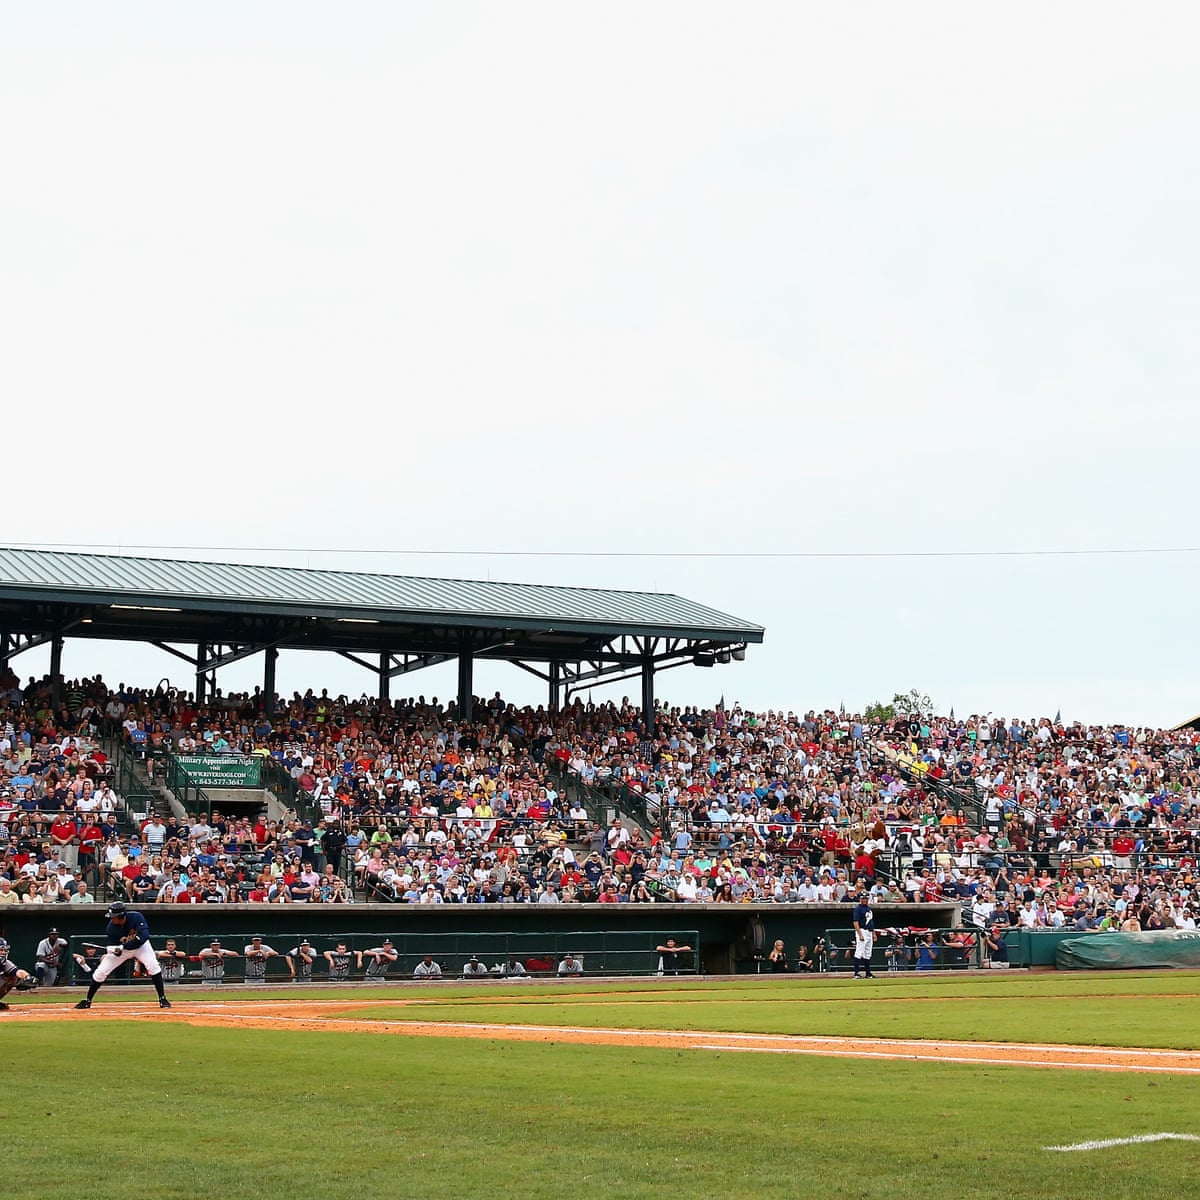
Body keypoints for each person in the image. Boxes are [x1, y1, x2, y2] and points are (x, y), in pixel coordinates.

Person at [74, 900, 172, 1009]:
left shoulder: (136, 917)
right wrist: (116, 949)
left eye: (113, 917)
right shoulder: (111, 928)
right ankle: (88, 1000)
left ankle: (162, 998)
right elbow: (117, 948)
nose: (111, 919)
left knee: (153, 966)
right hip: (122, 949)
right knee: (100, 972)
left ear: (121, 916)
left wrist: (124, 946)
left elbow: (143, 937)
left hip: (141, 947)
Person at [0, 937, 36, 1010]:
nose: (3, 952)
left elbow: (18, 971)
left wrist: (28, 977)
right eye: (1, 950)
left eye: (5, 950)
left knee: (13, 978)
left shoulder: (5, 963)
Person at [852, 891, 876, 979]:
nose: (864, 900)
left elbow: (871, 922)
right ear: (860, 899)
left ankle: (868, 973)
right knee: (859, 951)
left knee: (867, 953)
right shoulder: (858, 909)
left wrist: (873, 933)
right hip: (862, 931)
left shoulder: (868, 909)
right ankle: (856, 973)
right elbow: (855, 922)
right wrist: (860, 934)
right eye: (863, 898)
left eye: (866, 898)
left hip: (869, 931)